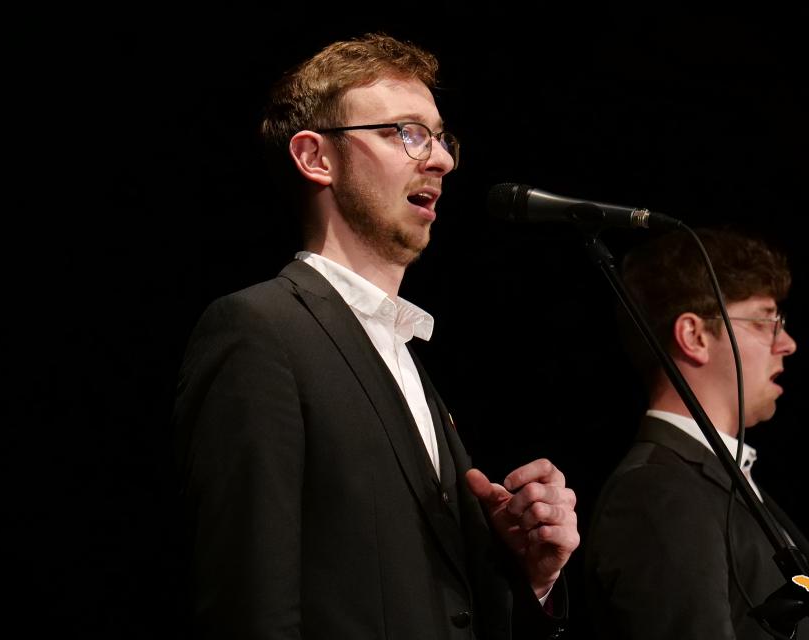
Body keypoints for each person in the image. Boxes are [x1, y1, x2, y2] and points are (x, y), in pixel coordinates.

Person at [173, 33, 578, 639]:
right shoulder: (260, 331)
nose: (441, 161)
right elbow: (247, 603)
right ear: (316, 157)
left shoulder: (401, 353)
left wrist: (531, 576)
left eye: (440, 138)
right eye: (406, 133)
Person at [585, 228, 809, 640]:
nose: (787, 343)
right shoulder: (657, 492)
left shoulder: (716, 479)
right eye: (765, 321)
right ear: (694, 337)